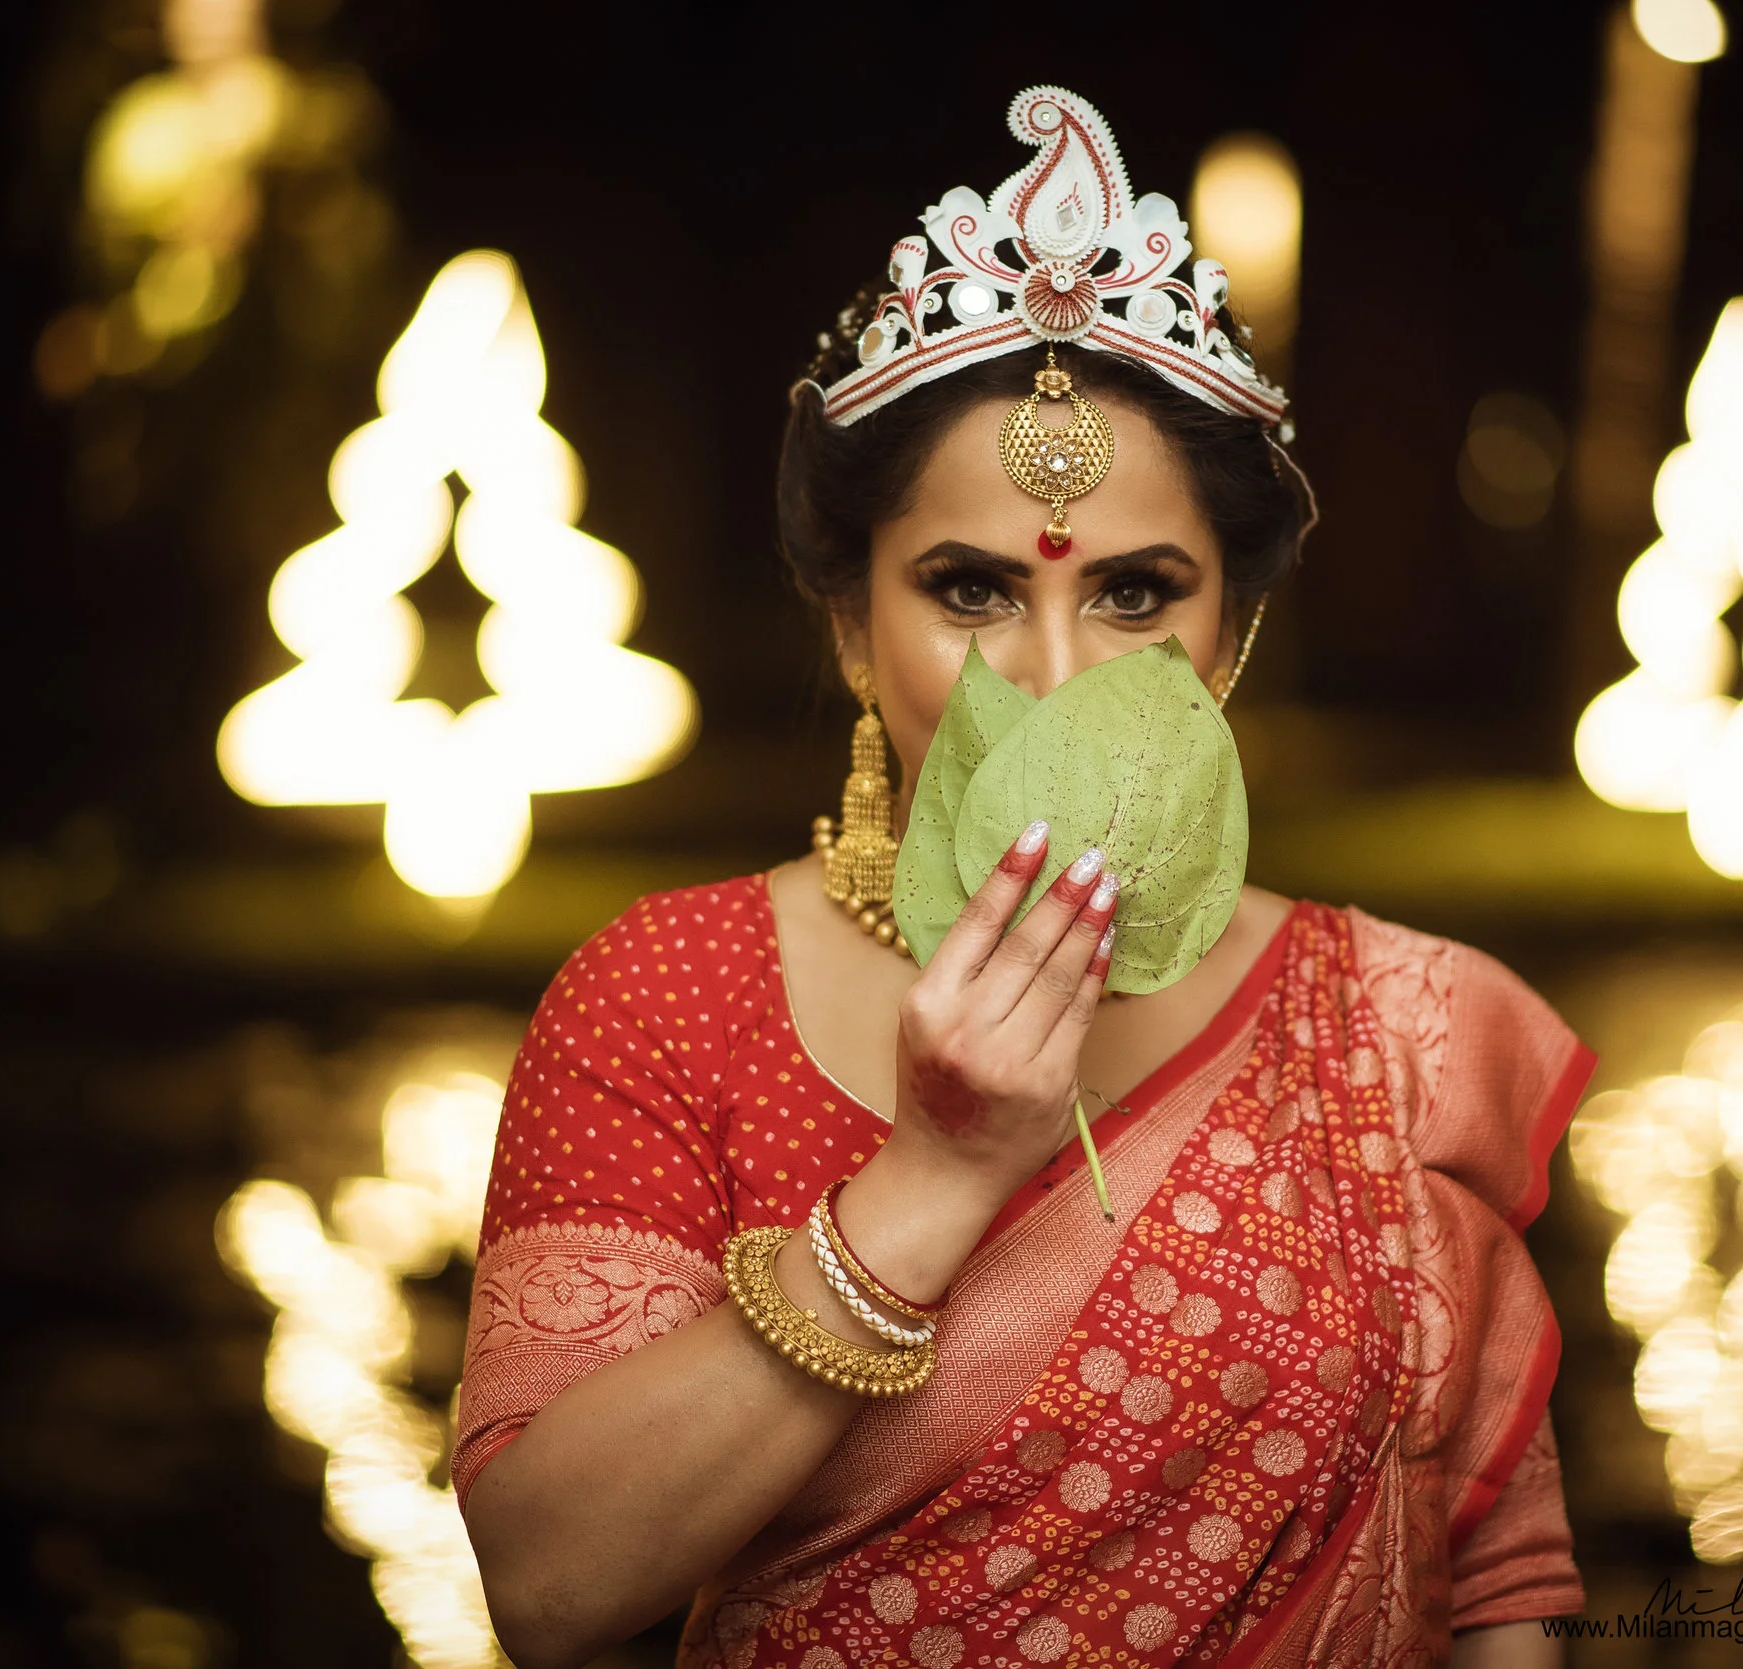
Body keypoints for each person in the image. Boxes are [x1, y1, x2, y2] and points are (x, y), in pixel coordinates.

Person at [454, 87, 1595, 1669]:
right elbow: (553, 1590)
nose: (1057, 677)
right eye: (970, 589)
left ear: (1234, 633)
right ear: (854, 628)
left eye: (1137, 592)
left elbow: (1496, 1590)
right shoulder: (669, 999)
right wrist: (932, 1182)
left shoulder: (1396, 1030)